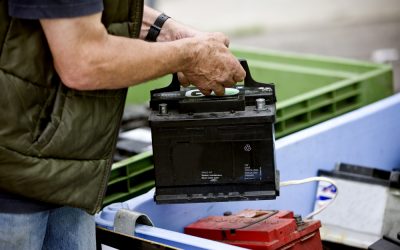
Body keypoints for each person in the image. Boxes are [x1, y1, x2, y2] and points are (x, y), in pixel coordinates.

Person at [0, 0, 245, 249]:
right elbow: (84, 61)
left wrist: (164, 30)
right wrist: (190, 55)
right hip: (13, 182)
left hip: (70, 170)